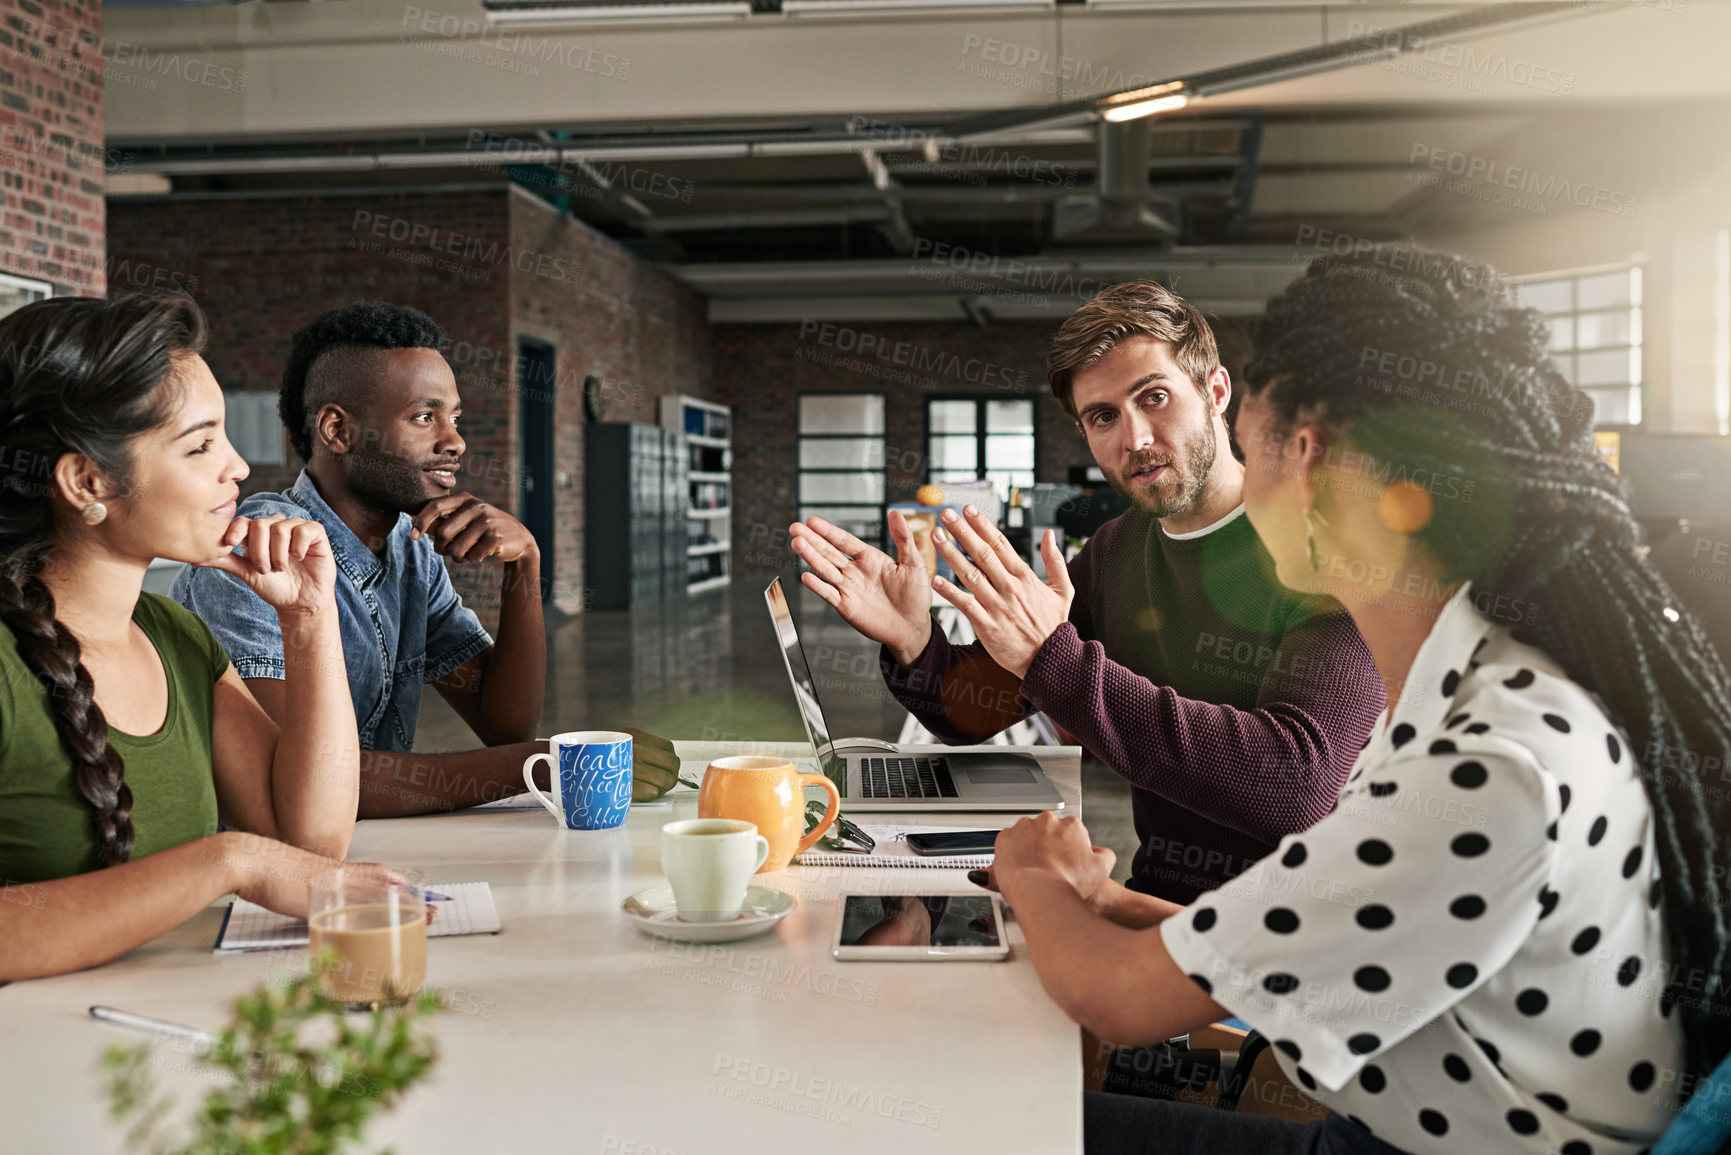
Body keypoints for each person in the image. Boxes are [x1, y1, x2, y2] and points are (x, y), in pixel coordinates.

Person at [990, 250, 1731, 1154]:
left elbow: (1118, 999)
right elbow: (1334, 923)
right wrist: (1115, 904)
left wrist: (1034, 872)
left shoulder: (1491, 769)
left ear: (1304, 460)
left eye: (1249, 434)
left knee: (978, 1122)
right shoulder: (1481, 684)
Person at [791, 281, 1385, 902]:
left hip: (1300, 933)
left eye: (1154, 397)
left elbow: (1296, 784)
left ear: (1215, 392)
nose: (1136, 439)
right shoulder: (1116, 549)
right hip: (1158, 902)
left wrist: (1055, 659)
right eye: (1103, 417)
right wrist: (916, 641)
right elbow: (977, 710)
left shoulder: (1324, 548)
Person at [0, 294, 396, 982]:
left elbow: (309, 843)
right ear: (86, 480)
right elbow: (263, 859)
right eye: (201, 443)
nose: (238, 467)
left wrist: (309, 615)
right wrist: (227, 861)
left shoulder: (173, 635)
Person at [172, 303, 677, 816]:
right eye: (423, 417)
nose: (455, 440)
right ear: (338, 432)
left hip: (363, 850)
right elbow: (300, 777)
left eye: (454, 418)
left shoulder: (409, 549)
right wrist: (549, 765)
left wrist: (524, 565)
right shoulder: (257, 554)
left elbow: (504, 725)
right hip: (253, 872)